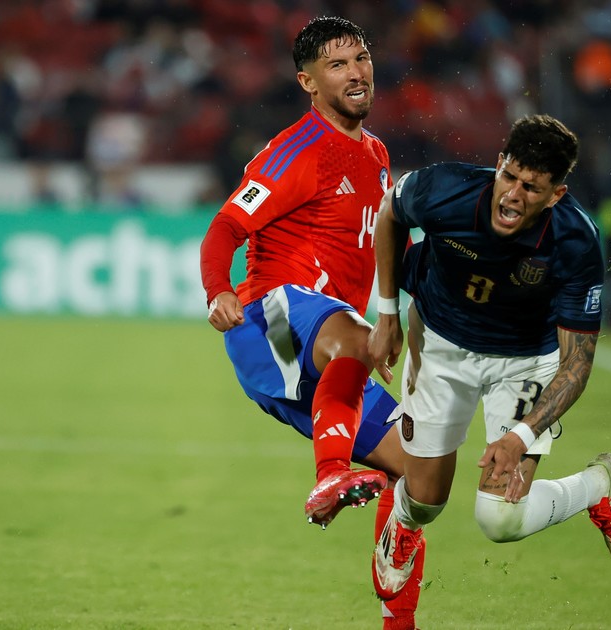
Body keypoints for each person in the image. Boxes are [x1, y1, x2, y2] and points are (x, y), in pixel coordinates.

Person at [198, 16, 422, 629]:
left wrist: (431, 300)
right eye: (337, 65)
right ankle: (330, 476)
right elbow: (225, 226)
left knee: (418, 473)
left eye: (361, 58)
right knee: (355, 338)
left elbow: (390, 252)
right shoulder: (299, 150)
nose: (356, 73)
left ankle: (398, 621)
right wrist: (219, 290)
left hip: (320, 355)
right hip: (269, 320)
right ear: (308, 82)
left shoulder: (376, 154)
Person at [366, 115, 611, 605]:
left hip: (524, 360)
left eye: (531, 188)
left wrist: (521, 436)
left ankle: (599, 486)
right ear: (498, 164)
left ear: (556, 194)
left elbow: (576, 365)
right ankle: (405, 521)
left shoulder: (575, 241)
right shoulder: (445, 189)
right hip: (439, 344)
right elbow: (390, 213)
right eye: (509, 176)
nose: (513, 196)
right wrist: (388, 313)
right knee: (425, 501)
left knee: (500, 520)